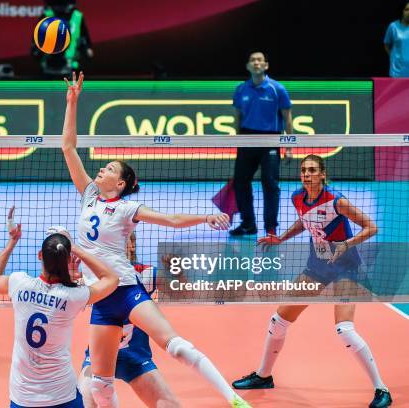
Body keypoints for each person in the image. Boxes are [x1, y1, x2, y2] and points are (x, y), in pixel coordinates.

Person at [62, 71, 250, 408]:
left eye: (109, 169)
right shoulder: (89, 194)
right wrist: (72, 103)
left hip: (124, 288)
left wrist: (205, 217)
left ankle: (232, 397)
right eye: (102, 168)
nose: (101, 171)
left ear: (120, 184)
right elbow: (68, 146)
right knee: (101, 385)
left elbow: (172, 220)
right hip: (100, 300)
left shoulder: (127, 207)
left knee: (175, 345)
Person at [231, 155, 392, 408]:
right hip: (316, 268)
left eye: (312, 170)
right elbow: (305, 221)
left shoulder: (337, 201)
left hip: (345, 269)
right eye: (304, 170)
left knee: (345, 330)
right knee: (279, 320)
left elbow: (371, 228)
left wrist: (346, 244)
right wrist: (281, 238)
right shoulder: (297, 197)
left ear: (322, 174)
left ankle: (381, 389)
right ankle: (264, 376)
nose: (307, 174)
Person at [0, 212, 119, 408]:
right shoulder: (73, 296)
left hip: (23, 397)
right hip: (62, 395)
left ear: (40, 256)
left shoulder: (20, 283)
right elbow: (111, 279)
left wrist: (12, 242)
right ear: (68, 259)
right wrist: (77, 249)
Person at [79, 232, 180, 408]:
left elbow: (181, 293)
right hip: (98, 358)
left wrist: (177, 273)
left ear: (131, 245)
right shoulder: (94, 278)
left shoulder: (147, 274)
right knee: (86, 403)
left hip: (135, 359)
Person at [230, 50, 293, 237]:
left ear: (266, 65)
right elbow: (237, 117)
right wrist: (238, 141)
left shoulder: (277, 89)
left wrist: (289, 147)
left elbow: (287, 119)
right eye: (252, 60)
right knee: (240, 183)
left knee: (270, 183)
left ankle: (271, 227)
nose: (256, 63)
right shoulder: (241, 89)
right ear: (248, 66)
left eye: (260, 60)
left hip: (271, 140)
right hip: (247, 139)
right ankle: (248, 224)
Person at [32, 0, 93, 78]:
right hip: (47, 70)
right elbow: (34, 49)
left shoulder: (77, 16)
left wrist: (86, 49)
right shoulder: (46, 16)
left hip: (71, 69)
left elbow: (87, 46)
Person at [384, 1, 409, 77]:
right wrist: (393, 57)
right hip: (397, 72)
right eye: (407, 9)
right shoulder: (393, 26)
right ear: (402, 11)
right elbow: (386, 44)